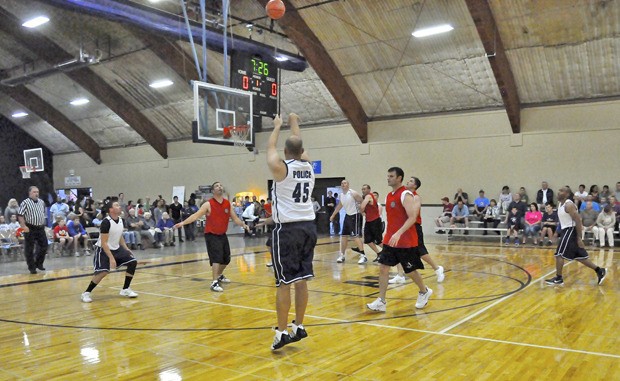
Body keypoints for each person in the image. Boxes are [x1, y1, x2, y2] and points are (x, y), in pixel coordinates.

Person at [266, 113, 317, 351]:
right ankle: (300, 325)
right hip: (309, 227)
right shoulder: (308, 165)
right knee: (302, 280)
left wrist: (277, 126)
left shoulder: (280, 168)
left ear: (286, 153)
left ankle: (281, 331)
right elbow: (297, 140)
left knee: (284, 283)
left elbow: (270, 147)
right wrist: (294, 120)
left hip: (287, 230)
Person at [367, 167, 432, 313]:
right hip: (391, 240)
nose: (388, 178)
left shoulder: (405, 195)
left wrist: (399, 232)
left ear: (399, 178)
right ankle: (381, 301)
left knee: (410, 271)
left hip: (406, 241)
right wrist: (389, 235)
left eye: (391, 176)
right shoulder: (388, 196)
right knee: (383, 267)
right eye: (387, 175)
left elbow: (412, 217)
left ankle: (424, 291)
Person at [174, 182, 248, 293]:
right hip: (211, 234)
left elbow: (235, 218)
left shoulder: (227, 204)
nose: (220, 187)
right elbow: (195, 216)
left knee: (226, 259)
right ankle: (214, 282)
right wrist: (182, 223)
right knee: (216, 258)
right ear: (213, 191)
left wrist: (244, 225)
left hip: (222, 234)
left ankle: (219, 275)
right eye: (217, 186)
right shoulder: (208, 204)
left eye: (221, 185)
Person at [545, 187, 606, 286]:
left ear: (567, 194)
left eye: (561, 191)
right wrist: (556, 233)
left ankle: (559, 278)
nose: (559, 192)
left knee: (559, 254)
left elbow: (578, 220)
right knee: (580, 256)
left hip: (571, 230)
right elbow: (562, 222)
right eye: (559, 190)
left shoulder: (569, 205)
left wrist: (579, 238)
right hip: (566, 230)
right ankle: (599, 271)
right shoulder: (560, 204)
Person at [389, 176, 445, 284]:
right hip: (404, 227)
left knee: (420, 251)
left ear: (415, 185)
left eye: (410, 181)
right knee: (396, 249)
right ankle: (400, 275)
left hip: (414, 227)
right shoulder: (403, 195)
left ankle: (437, 269)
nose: (407, 182)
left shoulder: (416, 197)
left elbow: (413, 213)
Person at [80, 200, 139, 303]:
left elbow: (119, 235)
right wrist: (111, 258)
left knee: (132, 262)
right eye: (116, 205)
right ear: (111, 209)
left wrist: (126, 248)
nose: (119, 206)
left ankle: (125, 289)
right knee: (103, 272)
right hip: (103, 249)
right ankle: (86, 293)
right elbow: (104, 243)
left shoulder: (121, 220)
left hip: (116, 248)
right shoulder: (106, 222)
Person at [330, 180, 366, 264]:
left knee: (355, 236)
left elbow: (362, 201)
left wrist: (363, 211)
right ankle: (342, 255)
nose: (343, 184)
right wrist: (333, 215)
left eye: (345, 183)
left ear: (348, 185)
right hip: (348, 216)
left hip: (355, 215)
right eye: (342, 183)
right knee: (344, 236)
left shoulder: (353, 193)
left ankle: (363, 256)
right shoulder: (341, 195)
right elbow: (339, 206)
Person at [17, 186, 48, 274]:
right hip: (30, 227)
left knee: (44, 246)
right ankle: (32, 267)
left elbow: (42, 213)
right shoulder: (25, 202)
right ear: (30, 193)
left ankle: (38, 263)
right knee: (29, 249)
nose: (36, 193)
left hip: (40, 227)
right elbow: (20, 215)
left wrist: (43, 223)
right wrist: (23, 226)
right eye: (34, 192)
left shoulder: (41, 202)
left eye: (37, 192)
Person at [359, 184, 383, 262]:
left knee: (378, 241)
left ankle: (391, 252)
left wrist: (361, 211)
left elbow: (362, 207)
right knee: (368, 240)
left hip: (375, 221)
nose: (363, 190)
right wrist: (363, 213)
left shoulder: (369, 196)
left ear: (369, 190)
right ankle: (379, 253)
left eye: (365, 189)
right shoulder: (365, 197)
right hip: (368, 221)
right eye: (362, 189)